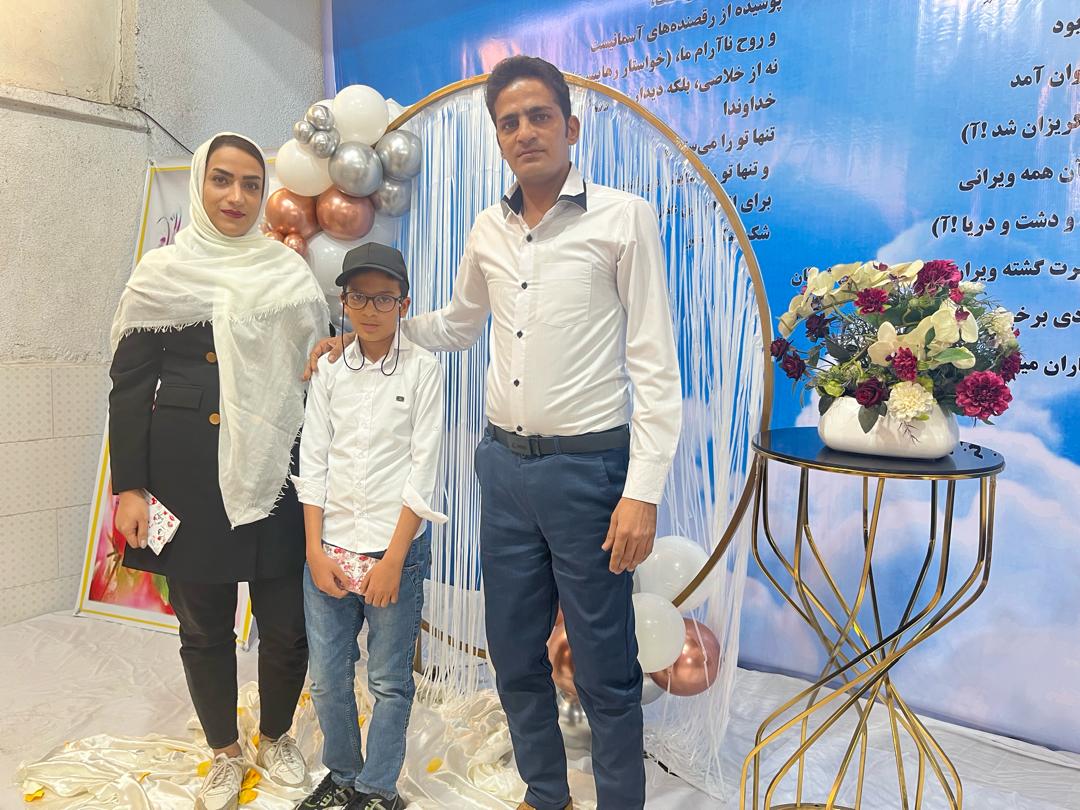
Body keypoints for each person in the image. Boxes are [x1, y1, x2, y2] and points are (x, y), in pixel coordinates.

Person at [309, 55, 682, 810]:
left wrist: (641, 492)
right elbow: (459, 324)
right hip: (503, 471)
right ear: (498, 138)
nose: (524, 132)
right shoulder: (488, 228)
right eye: (509, 123)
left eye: (539, 116)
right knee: (512, 653)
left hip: (589, 473)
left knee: (606, 664)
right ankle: (546, 795)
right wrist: (372, 331)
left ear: (570, 126)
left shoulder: (623, 218)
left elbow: (655, 366)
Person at [109, 133, 329, 810]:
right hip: (187, 476)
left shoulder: (287, 273)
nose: (237, 196)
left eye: (251, 184)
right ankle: (225, 752)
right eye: (222, 180)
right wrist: (129, 487)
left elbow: (316, 373)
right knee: (203, 626)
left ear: (265, 194)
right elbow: (129, 387)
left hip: (276, 469)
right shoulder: (162, 273)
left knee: (287, 624)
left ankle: (277, 735)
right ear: (200, 184)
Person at [293, 243, 446, 810]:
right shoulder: (330, 368)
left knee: (388, 681)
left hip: (392, 551)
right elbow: (314, 460)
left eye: (384, 298)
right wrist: (313, 551)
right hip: (330, 547)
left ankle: (378, 788)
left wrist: (394, 560)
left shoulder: (424, 370)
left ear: (403, 304)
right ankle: (342, 775)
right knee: (327, 677)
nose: (370, 309)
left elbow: (422, 472)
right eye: (359, 296)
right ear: (344, 300)